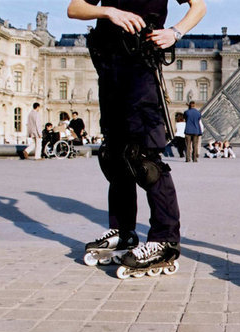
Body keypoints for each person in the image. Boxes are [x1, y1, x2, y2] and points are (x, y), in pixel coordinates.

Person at [67, 0, 206, 272]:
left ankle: (165, 238)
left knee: (143, 157)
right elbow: (74, 8)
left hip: (141, 65)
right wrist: (108, 11)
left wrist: (175, 32)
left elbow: (199, 6)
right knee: (113, 154)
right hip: (108, 65)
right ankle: (123, 232)